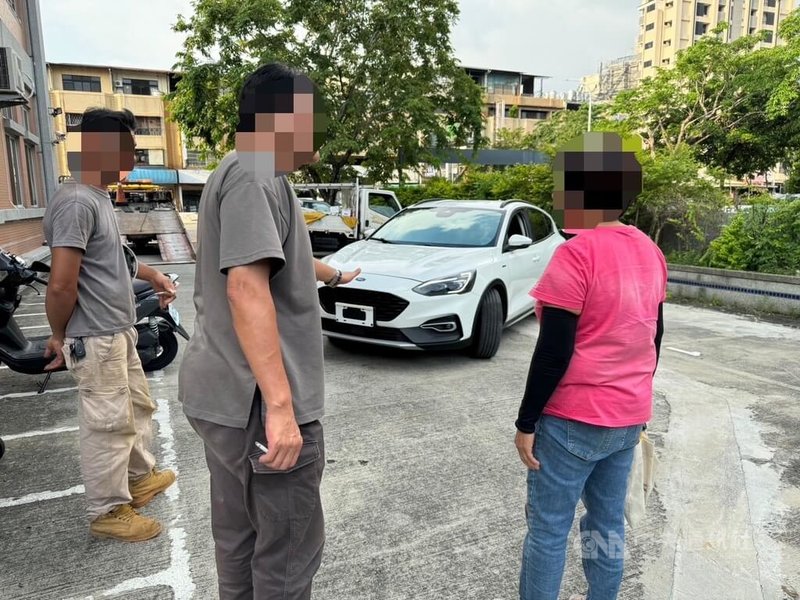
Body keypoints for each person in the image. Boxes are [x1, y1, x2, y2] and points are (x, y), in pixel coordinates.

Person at [179, 63, 360, 600]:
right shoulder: (256, 173)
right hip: (256, 402)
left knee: (238, 537)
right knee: (285, 555)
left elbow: (278, 263)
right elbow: (246, 288)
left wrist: (334, 273)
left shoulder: (242, 171)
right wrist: (281, 408)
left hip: (225, 397)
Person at [514, 132, 667, 600]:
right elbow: (654, 335)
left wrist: (525, 422)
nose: (559, 196)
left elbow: (554, 353)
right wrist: (634, 393)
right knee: (605, 525)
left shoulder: (575, 254)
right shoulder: (649, 250)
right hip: (627, 418)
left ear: (582, 192)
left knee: (548, 532)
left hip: (571, 423)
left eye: (564, 186)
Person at [43, 107, 178, 542]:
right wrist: (60, 335)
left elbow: (114, 262)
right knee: (107, 425)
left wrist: (154, 275)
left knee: (136, 410)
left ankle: (139, 479)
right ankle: (108, 509)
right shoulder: (77, 201)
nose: (133, 159)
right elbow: (62, 284)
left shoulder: (98, 196)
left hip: (117, 330)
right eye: (128, 150)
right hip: (95, 336)